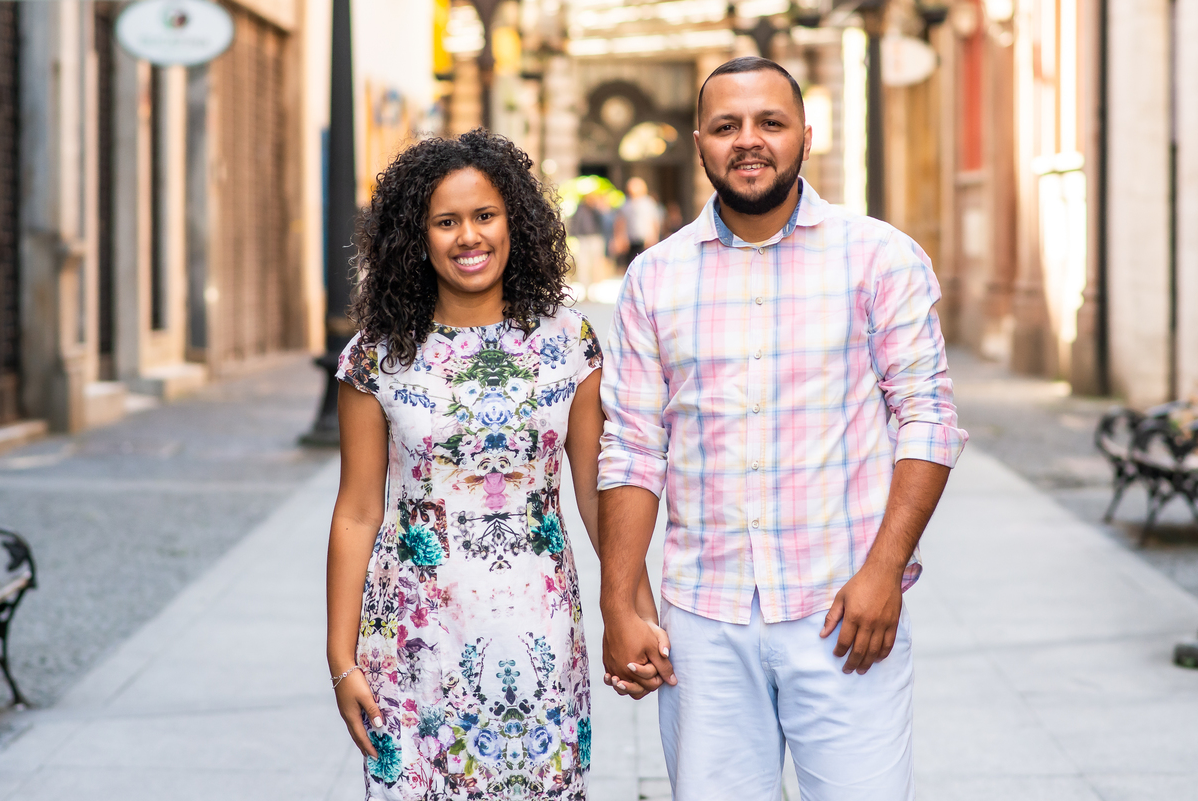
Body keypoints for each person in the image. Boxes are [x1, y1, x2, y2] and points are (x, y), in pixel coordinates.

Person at [596, 57, 968, 800]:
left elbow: (927, 417)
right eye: (727, 125)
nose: (749, 140)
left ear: (805, 133)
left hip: (844, 610)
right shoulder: (655, 278)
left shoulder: (880, 258)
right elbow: (634, 447)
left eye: (770, 122)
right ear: (699, 139)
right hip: (705, 621)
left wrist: (884, 572)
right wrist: (618, 603)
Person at [326, 129, 665, 800]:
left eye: (484, 215)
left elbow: (597, 493)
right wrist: (340, 659)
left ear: (515, 221)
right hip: (413, 635)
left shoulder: (570, 342)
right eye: (445, 222)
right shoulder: (378, 354)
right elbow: (358, 509)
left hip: (538, 633)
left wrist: (634, 609)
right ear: (415, 237)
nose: (467, 236)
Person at [611, 176, 661, 269]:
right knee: (631, 264)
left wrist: (653, 237)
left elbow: (654, 221)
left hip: (645, 239)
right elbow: (620, 222)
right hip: (630, 239)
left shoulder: (649, 203)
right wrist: (620, 238)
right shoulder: (625, 204)